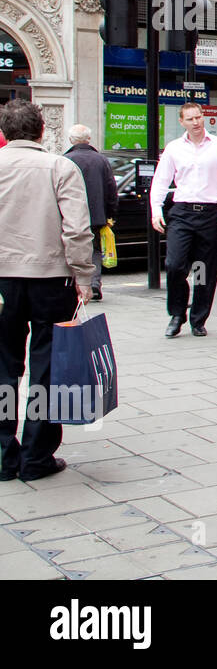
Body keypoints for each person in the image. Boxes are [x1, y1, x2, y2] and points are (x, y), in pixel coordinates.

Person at [0, 100, 94, 482]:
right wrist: (84, 277)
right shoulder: (61, 167)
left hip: (2, 282)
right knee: (46, 369)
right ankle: (36, 457)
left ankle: (4, 456)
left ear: (4, 134)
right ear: (43, 131)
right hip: (52, 280)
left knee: (2, 369)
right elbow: (75, 229)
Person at [150, 102, 217, 339]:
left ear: (204, 118)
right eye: (190, 119)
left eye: (199, 117)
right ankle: (177, 313)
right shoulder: (173, 149)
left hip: (211, 214)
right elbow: (160, 181)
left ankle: (198, 318)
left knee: (203, 270)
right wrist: (156, 210)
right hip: (182, 212)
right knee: (175, 264)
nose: (196, 122)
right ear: (182, 122)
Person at [64, 125, 118, 303]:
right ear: (88, 139)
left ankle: (75, 284)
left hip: (71, 214)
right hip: (97, 214)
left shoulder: (65, 160)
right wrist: (111, 213)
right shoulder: (101, 160)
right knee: (95, 249)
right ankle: (94, 283)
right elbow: (111, 189)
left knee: (72, 247)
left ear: (71, 140)